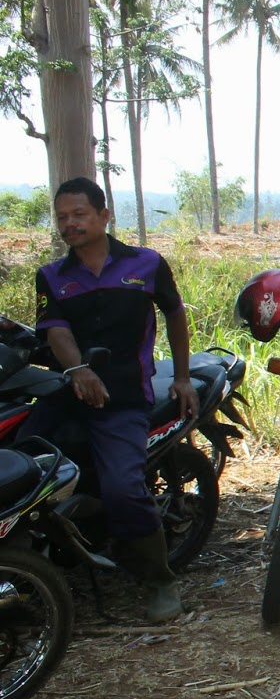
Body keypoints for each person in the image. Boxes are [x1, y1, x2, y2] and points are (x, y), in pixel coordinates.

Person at [31, 177, 197, 623]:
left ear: (104, 216)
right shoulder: (52, 276)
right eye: (62, 217)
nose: (70, 224)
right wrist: (78, 370)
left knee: (123, 488)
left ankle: (160, 580)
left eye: (79, 214)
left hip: (123, 398)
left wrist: (182, 377)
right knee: (21, 469)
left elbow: (175, 314)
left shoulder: (146, 264)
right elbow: (56, 330)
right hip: (65, 394)